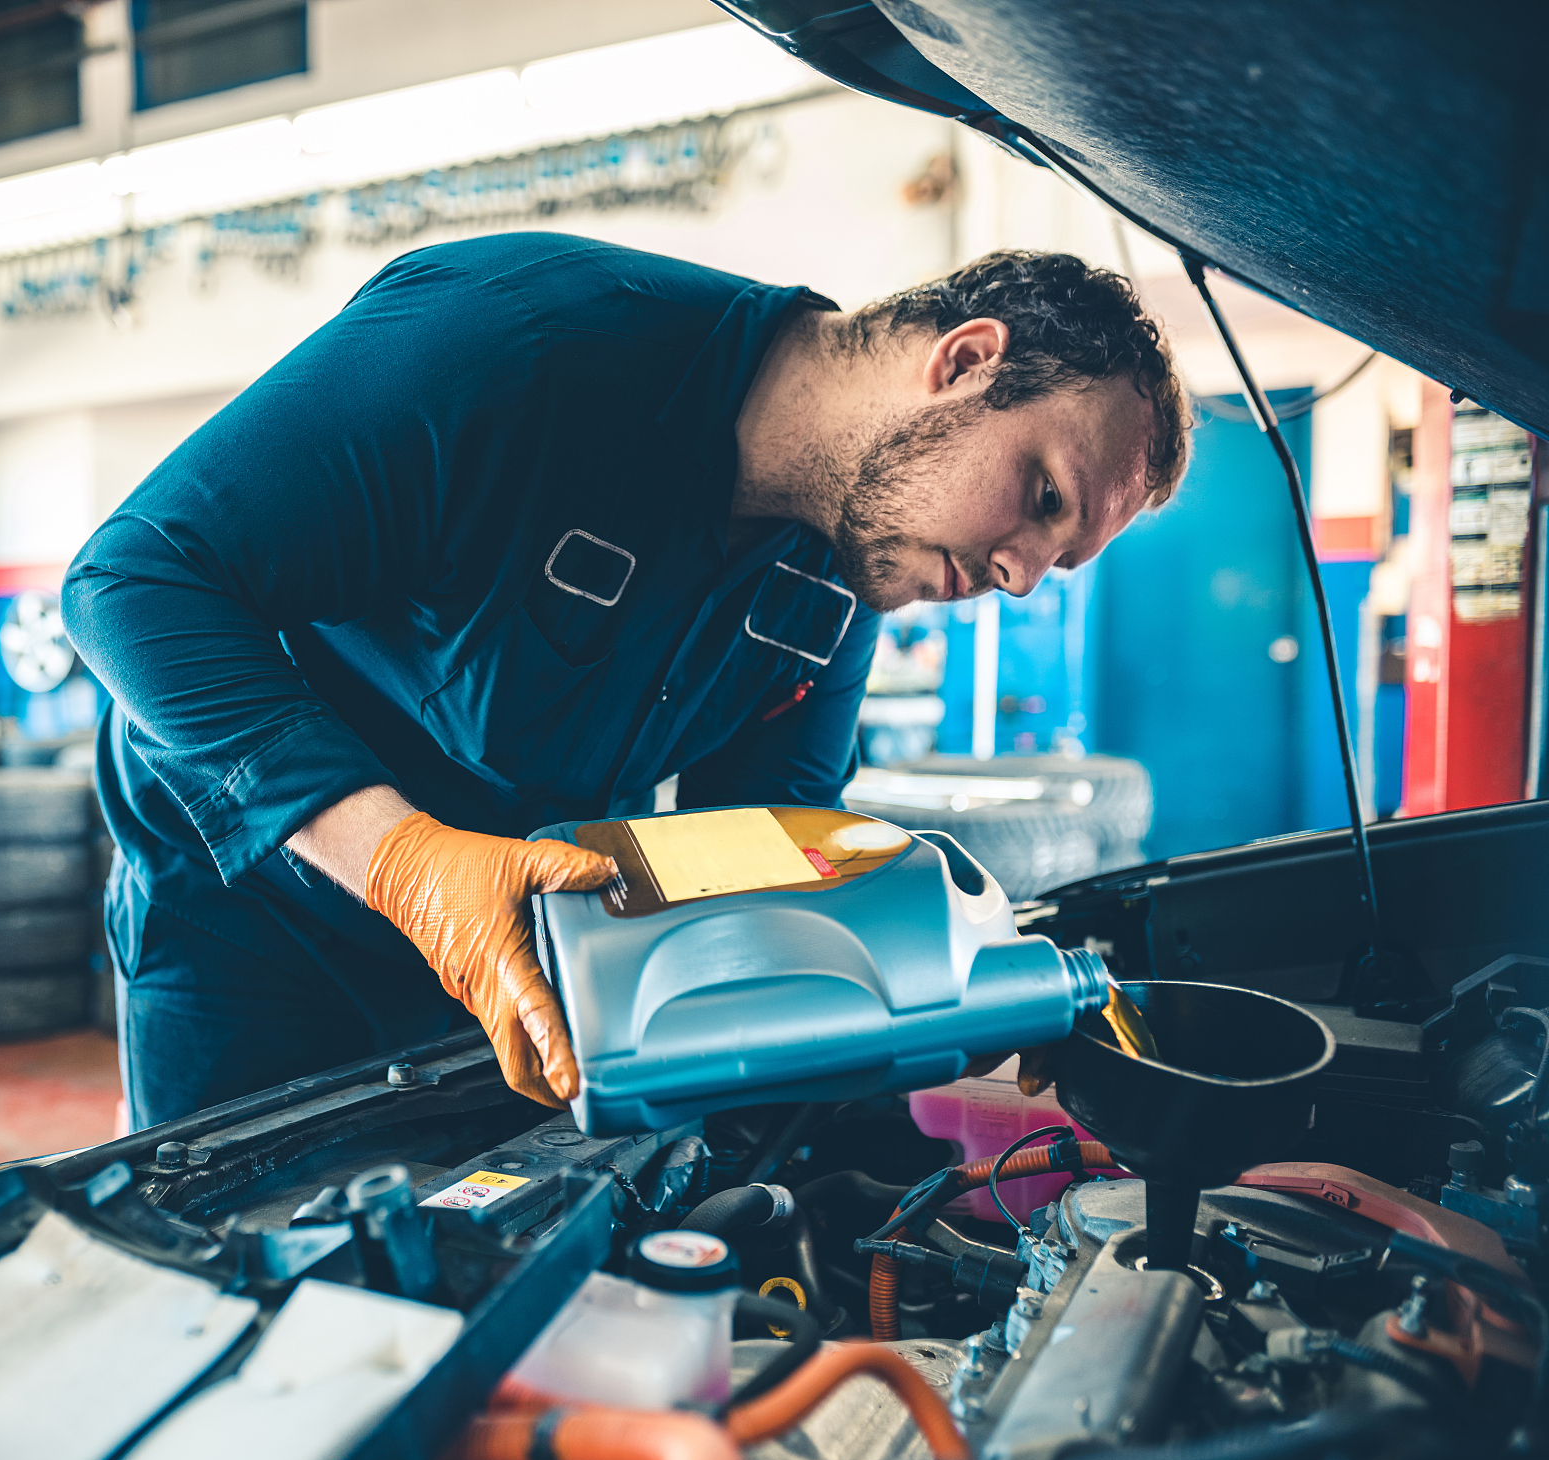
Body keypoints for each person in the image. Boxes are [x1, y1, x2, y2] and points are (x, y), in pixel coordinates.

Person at [61, 232, 1190, 1129]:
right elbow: (134, 579)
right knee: (225, 1306)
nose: (1019, 576)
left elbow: (758, 857)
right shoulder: (515, 345)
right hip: (248, 924)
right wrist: (401, 864)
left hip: (496, 948)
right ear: (961, 364)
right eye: (1041, 497)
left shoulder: (836, 577)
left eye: (1062, 559)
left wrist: (946, 990)